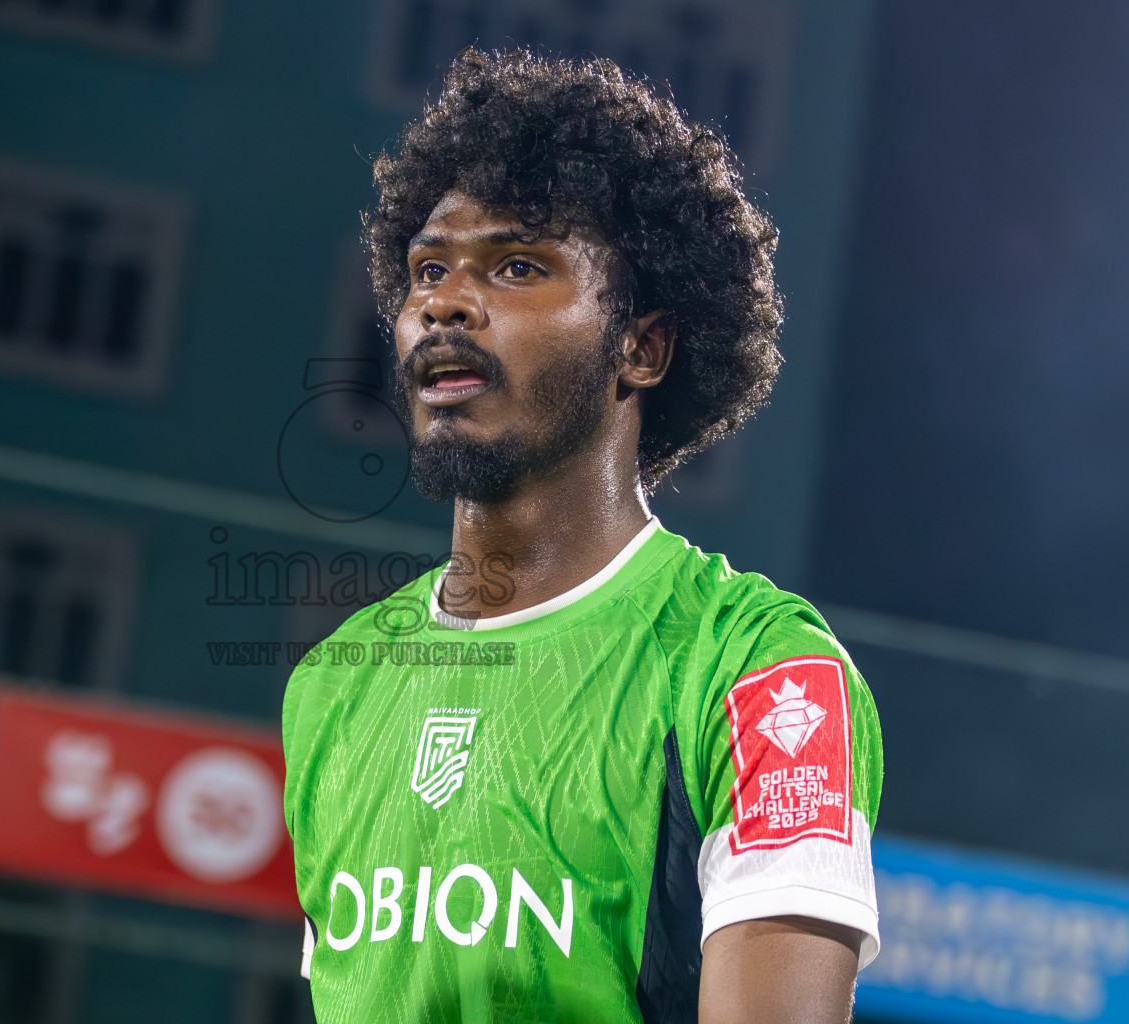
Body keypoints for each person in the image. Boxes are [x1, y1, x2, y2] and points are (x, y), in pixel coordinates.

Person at [281, 47, 882, 1024]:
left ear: (641, 347)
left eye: (517, 265)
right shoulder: (334, 685)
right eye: (428, 267)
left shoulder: (761, 673)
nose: (443, 301)